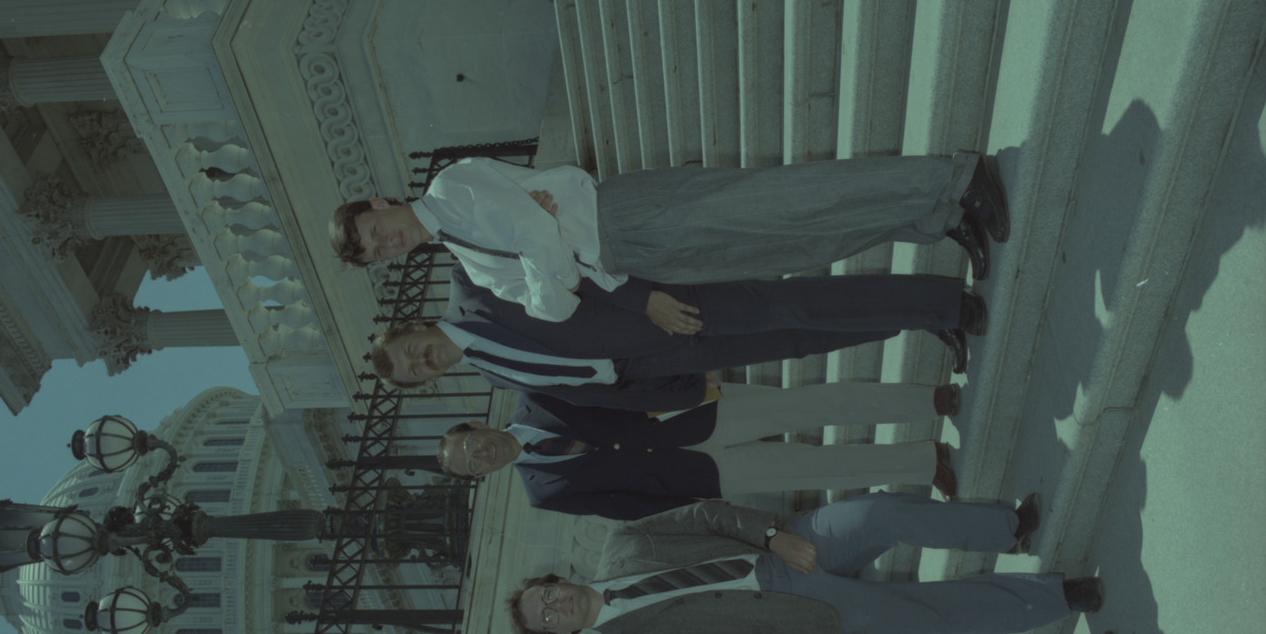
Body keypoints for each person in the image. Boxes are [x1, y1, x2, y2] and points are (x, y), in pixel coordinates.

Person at [504, 494, 1108, 634]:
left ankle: (1007, 527)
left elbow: (706, 516)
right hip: (803, 621)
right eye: (548, 617)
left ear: (559, 579)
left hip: (789, 554)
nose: (555, 604)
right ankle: (1059, 596)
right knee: (933, 615)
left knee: (878, 514)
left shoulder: (624, 544)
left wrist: (770, 536)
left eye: (547, 594)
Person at [328, 153, 1009, 321]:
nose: (389, 242)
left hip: (626, 216)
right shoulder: (471, 269)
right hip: (636, 262)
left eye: (376, 229)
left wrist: (549, 251)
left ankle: (953, 174)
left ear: (383, 203)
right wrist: (551, 256)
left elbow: (538, 234)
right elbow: (552, 306)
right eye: (379, 252)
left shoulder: (451, 188)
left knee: (787, 202)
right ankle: (938, 217)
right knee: (793, 248)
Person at [371, 264, 986, 411]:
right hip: (667, 358)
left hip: (661, 313)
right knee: (801, 341)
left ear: (416, 327)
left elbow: (567, 265)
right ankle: (926, 318)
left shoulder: (473, 284)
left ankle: (944, 299)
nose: (421, 360)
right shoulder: (494, 377)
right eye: (415, 371)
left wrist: (646, 298)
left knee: (793, 301)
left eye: (410, 351)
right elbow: (590, 391)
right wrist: (676, 388)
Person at [438, 382, 965, 518]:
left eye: (470, 444)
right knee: (814, 466)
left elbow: (616, 380)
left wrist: (681, 383)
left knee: (811, 405)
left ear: (478, 426)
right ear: (481, 477)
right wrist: (693, 501)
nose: (481, 454)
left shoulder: (537, 397)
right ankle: (924, 462)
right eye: (472, 465)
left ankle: (925, 401)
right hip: (698, 476)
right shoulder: (541, 493)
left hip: (692, 412)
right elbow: (621, 506)